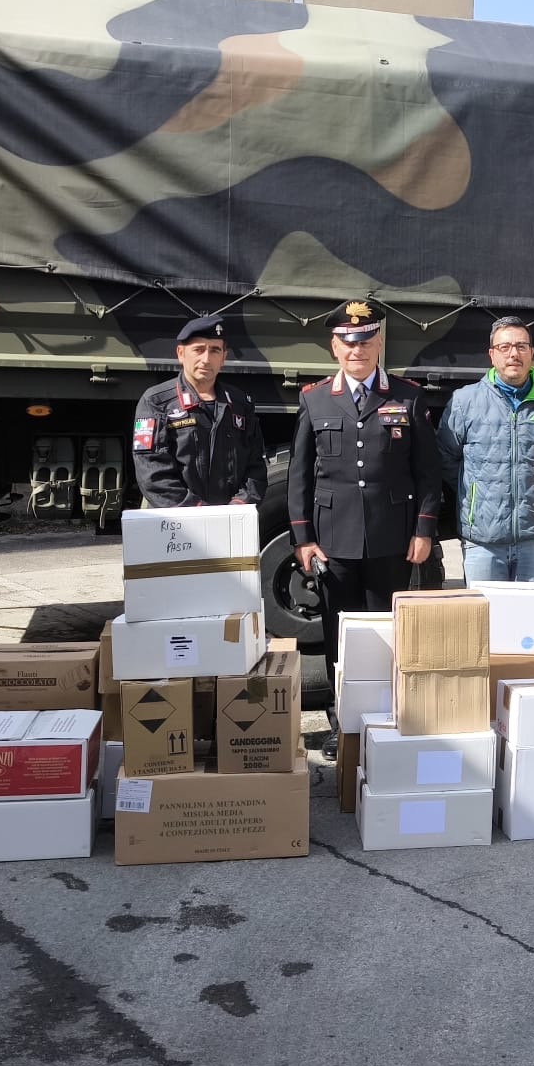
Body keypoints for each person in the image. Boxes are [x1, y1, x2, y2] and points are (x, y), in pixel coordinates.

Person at [289, 302, 442, 749]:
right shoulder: (314, 399)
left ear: (379, 344)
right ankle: (343, 723)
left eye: (367, 341)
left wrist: (424, 530)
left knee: (385, 633)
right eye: (348, 343)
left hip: (392, 538)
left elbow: (427, 472)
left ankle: (383, 720)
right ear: (335, 347)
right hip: (334, 540)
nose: (358, 350)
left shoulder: (408, 396)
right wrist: (303, 538)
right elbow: (300, 474)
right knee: (341, 635)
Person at [437, 317, 534, 583]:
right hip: (483, 541)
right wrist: (476, 497)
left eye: (521, 346)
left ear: (532, 353)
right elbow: (447, 459)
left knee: (533, 623)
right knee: (485, 622)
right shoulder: (465, 401)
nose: (513, 354)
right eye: (504, 347)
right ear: (492, 355)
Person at [132, 316, 267, 508]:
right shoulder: (156, 402)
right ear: (181, 353)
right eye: (198, 350)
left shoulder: (241, 404)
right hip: (178, 524)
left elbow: (256, 467)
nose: (206, 359)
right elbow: (152, 472)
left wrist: (239, 505)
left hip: (230, 521)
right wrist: (198, 512)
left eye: (214, 350)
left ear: (223, 357)